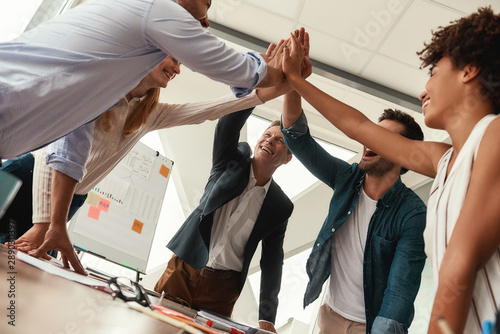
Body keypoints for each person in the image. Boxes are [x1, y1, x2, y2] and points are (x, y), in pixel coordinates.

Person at [282, 7, 500, 334]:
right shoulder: (442, 161)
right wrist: (295, 81)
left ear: (469, 70)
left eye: (435, 72)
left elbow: (460, 264)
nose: (423, 90)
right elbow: (357, 125)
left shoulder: (495, 134)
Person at [3, 50, 291, 275]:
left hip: (69, 200)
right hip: (28, 177)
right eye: (173, 59)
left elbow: (214, 109)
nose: (177, 69)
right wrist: (44, 221)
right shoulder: (100, 89)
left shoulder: (151, 114)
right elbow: (57, 149)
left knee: (21, 275)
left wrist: (272, 84)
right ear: (148, 54)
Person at [0, 0, 287, 161]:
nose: (207, 20)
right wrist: (281, 72)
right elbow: (233, 67)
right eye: (207, 2)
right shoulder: (158, 10)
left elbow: (74, 137)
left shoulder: (114, 76)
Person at [281, 86, 427, 333]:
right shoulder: (347, 178)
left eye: (381, 137)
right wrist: (293, 82)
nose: (368, 139)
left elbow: (400, 291)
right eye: (371, 132)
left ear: (402, 155)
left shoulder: (413, 214)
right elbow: (296, 136)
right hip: (329, 316)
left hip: (370, 327)